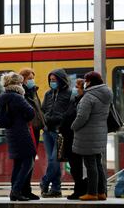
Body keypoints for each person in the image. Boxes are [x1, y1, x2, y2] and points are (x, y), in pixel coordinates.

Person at [71, 71, 112, 201]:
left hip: (87, 135)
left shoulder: (89, 97)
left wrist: (73, 126)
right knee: (97, 164)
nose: (85, 83)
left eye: (86, 81)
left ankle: (92, 193)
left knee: (90, 164)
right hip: (99, 133)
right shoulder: (106, 94)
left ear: (90, 82)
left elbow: (82, 117)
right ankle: (101, 192)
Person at [0, 72, 35, 201]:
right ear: (17, 84)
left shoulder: (3, 96)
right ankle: (17, 190)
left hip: (11, 132)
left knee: (18, 163)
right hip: (21, 132)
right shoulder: (17, 97)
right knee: (28, 161)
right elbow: (31, 112)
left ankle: (15, 190)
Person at [40, 69, 71, 198]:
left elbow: (70, 112)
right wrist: (45, 120)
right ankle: (56, 189)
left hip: (60, 132)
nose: (52, 82)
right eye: (51, 80)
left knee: (54, 160)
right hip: (47, 131)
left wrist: (59, 119)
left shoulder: (69, 94)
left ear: (61, 80)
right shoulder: (48, 94)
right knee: (53, 161)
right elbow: (43, 110)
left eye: (54, 80)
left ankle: (45, 181)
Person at [58, 78, 87, 200]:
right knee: (74, 167)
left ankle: (79, 190)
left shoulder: (82, 102)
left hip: (75, 138)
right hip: (69, 137)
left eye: (77, 87)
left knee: (77, 166)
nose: (75, 89)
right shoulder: (75, 101)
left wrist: (69, 127)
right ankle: (78, 189)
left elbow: (76, 119)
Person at [19, 68, 45, 200]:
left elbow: (38, 110)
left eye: (32, 78)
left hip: (35, 129)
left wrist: (42, 124)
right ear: (22, 79)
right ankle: (22, 190)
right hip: (27, 129)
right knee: (26, 161)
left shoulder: (32, 91)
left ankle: (26, 189)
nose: (32, 80)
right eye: (29, 78)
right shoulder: (22, 93)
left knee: (30, 161)